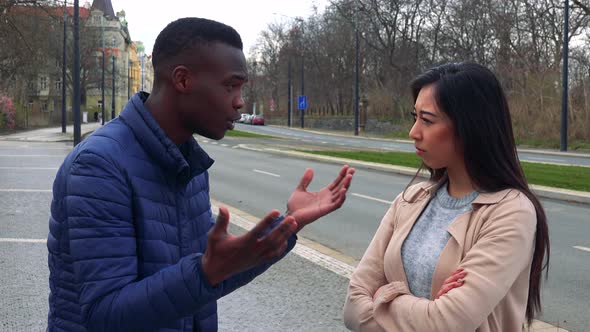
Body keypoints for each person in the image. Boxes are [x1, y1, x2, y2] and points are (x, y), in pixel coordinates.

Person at [47, 17, 355, 332]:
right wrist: (205, 273)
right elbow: (105, 315)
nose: (240, 102)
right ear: (182, 80)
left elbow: (217, 268)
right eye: (230, 85)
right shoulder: (99, 166)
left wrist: (290, 223)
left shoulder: (188, 165)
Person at [343, 62, 549, 331]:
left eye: (427, 120)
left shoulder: (511, 212)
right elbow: (352, 307)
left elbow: (445, 324)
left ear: (470, 126)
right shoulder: (411, 199)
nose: (413, 132)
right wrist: (428, 307)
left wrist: (383, 297)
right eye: (414, 117)